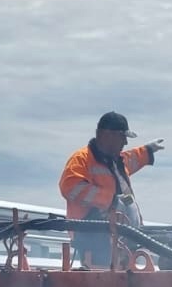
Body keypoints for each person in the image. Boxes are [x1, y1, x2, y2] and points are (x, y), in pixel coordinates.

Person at [60, 112, 164, 268]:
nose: (126, 142)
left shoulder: (117, 161)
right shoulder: (82, 159)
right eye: (123, 136)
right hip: (93, 236)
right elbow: (70, 186)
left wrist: (148, 150)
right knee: (101, 280)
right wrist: (111, 200)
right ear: (107, 135)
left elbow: (133, 158)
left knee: (119, 279)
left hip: (120, 238)